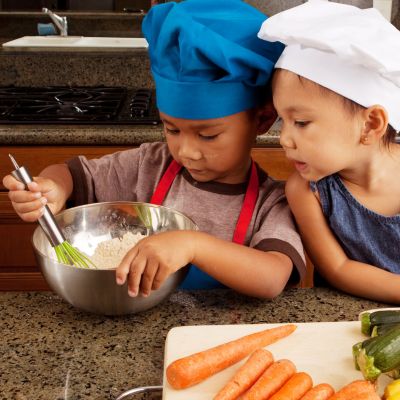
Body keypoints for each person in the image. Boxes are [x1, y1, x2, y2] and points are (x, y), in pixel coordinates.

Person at [3, 0, 305, 298]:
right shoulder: (148, 166)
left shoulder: (272, 201)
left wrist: (192, 246)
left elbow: (272, 278)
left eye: (208, 135)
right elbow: (72, 173)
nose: (186, 151)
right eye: (172, 129)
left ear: (262, 119)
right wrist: (51, 188)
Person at [258, 0, 400, 303]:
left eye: (301, 122)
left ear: (371, 124)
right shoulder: (307, 191)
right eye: (283, 122)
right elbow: (338, 268)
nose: (284, 139)